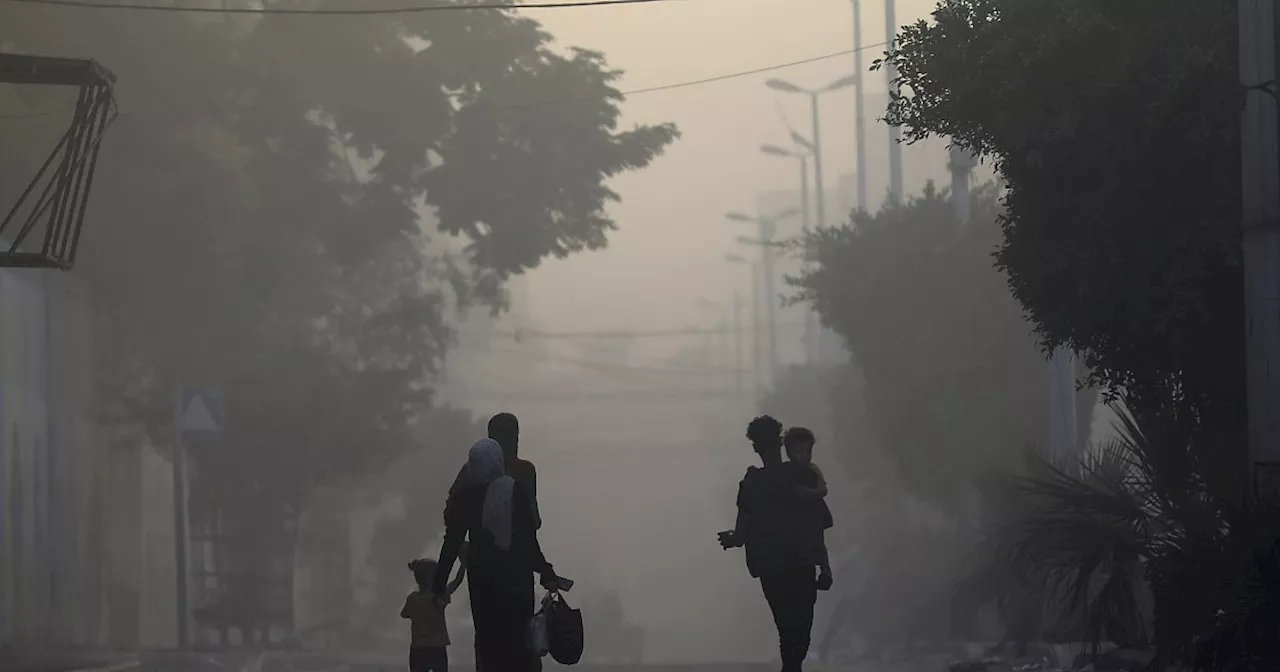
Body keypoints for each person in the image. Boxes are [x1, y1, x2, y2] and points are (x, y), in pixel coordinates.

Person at [435, 438, 560, 672]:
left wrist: (438, 585)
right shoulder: (514, 491)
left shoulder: (464, 498)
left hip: (482, 581)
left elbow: (451, 543)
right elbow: (527, 541)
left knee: (488, 641)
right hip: (516, 580)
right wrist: (547, 573)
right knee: (518, 642)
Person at [718, 415, 831, 672]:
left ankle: (790, 668)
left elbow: (740, 534)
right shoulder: (802, 474)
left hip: (771, 566)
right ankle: (792, 667)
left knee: (786, 625)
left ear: (755, 447)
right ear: (780, 442)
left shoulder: (750, 484)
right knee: (801, 627)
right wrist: (825, 568)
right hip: (801, 562)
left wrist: (730, 539)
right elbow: (817, 526)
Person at [447, 412, 540, 530]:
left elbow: (450, 514)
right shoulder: (525, 470)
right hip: (517, 544)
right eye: (514, 438)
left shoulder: (471, 468)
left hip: (479, 543)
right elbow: (534, 521)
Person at [401, 544, 468, 672]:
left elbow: (405, 614)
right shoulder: (438, 596)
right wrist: (463, 562)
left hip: (418, 649)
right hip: (437, 648)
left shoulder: (412, 598)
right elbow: (457, 581)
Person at [783, 427, 834, 590]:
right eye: (799, 452)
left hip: (814, 511)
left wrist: (807, 493)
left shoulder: (813, 469)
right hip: (798, 517)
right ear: (789, 452)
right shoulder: (786, 471)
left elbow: (823, 490)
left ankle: (826, 572)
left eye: (807, 452)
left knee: (819, 541)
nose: (804, 456)